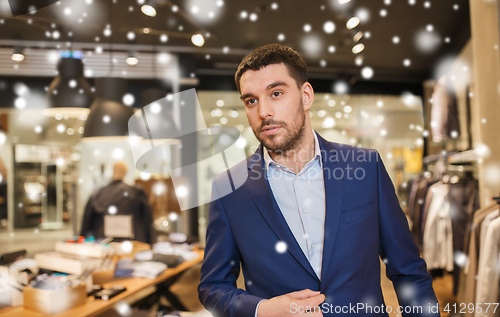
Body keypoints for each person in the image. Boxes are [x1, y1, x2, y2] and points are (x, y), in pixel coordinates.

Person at [198, 44, 439, 317]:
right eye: (251, 100)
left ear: (306, 95)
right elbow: (213, 286)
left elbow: (408, 270)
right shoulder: (229, 188)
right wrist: (262, 309)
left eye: (276, 93)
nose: (263, 111)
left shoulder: (364, 167)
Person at [81, 161, 155, 244]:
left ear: (113, 171)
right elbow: (148, 221)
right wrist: (151, 245)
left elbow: (86, 222)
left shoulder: (97, 194)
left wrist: (82, 242)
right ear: (125, 172)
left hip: (104, 244)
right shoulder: (137, 193)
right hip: (132, 246)